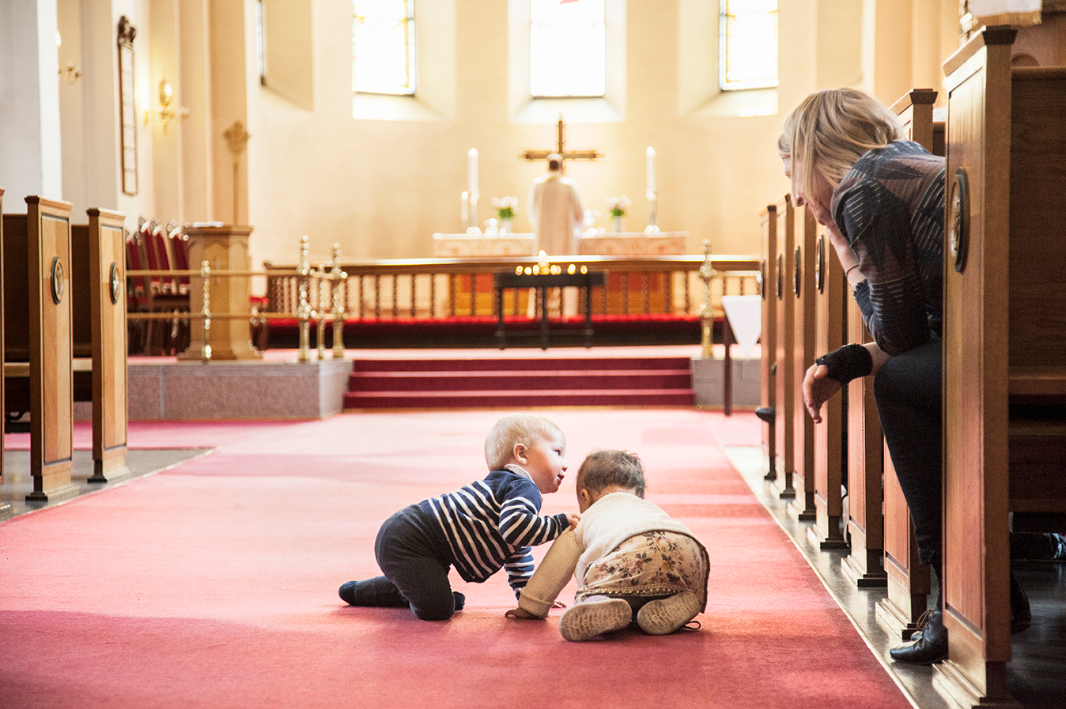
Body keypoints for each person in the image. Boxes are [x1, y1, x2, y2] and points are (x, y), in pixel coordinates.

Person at [777, 88, 1029, 665]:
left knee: (897, 384)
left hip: (990, 354)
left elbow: (897, 334)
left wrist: (841, 249)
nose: (795, 195)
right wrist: (845, 362)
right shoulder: (905, 164)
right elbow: (925, 331)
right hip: (1013, 345)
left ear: (815, 153)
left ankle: (952, 599)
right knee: (904, 375)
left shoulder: (862, 191)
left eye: (791, 169)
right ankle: (999, 590)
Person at [338, 413, 578, 621]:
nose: (564, 464)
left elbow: (516, 549)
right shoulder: (523, 488)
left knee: (443, 599)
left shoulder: (510, 492)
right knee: (438, 610)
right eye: (557, 452)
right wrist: (558, 523)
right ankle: (386, 591)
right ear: (521, 454)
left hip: (408, 537)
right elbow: (516, 530)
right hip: (410, 540)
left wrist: (530, 598)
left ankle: (379, 589)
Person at [505, 449, 709, 642]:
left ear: (585, 497)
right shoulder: (649, 509)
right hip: (687, 551)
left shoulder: (587, 518)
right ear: (639, 495)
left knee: (612, 582)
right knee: (643, 581)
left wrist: (531, 606)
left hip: (631, 557)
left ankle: (598, 601)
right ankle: (675, 599)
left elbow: (557, 564)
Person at [528, 153, 585, 256]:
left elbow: (531, 212)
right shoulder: (569, 186)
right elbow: (579, 213)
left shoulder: (538, 185)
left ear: (547, 167)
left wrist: (540, 226)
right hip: (565, 234)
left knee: (544, 265)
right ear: (561, 168)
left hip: (543, 234)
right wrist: (576, 230)